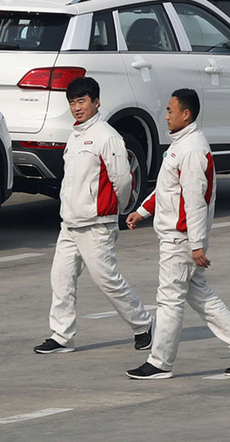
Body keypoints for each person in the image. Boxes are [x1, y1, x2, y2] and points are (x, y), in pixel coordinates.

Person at [125, 88, 230, 380]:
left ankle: (160, 362)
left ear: (186, 114)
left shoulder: (192, 150)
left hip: (180, 238)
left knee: (169, 299)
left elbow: (195, 201)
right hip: (180, 236)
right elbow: (168, 189)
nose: (166, 116)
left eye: (170, 110)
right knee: (198, 294)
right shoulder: (182, 145)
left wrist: (196, 244)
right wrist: (143, 211)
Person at [35, 75, 154, 355]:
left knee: (107, 280)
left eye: (82, 101)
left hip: (97, 224)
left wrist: (115, 209)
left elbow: (122, 180)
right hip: (70, 223)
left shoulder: (107, 136)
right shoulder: (75, 136)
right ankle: (62, 336)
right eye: (72, 102)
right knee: (61, 279)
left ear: (96, 102)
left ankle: (144, 325)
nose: (77, 107)